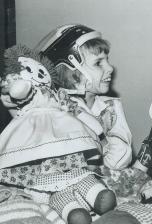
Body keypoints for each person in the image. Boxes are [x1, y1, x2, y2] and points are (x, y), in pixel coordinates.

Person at [0, 45, 116, 224]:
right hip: (39, 155)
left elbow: (77, 111)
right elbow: (19, 95)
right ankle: (72, 210)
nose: (38, 76)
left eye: (41, 71)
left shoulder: (59, 96)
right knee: (53, 189)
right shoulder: (28, 101)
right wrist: (18, 87)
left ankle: (96, 195)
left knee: (81, 175)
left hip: (68, 154)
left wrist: (96, 130)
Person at [35, 24, 133, 170]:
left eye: (107, 60)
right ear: (72, 74)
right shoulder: (57, 111)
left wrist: (103, 139)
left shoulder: (111, 107)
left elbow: (120, 159)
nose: (110, 68)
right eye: (98, 63)